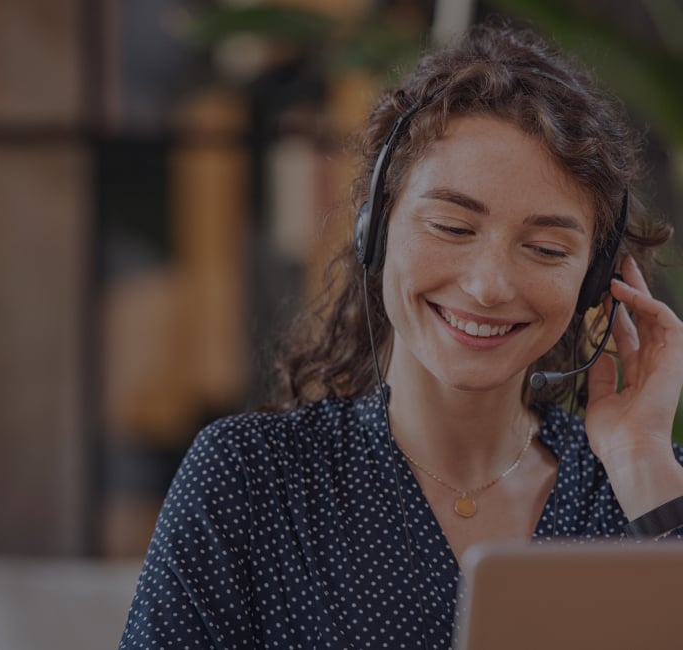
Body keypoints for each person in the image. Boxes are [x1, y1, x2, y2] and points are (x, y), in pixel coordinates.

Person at [118, 21, 683, 649]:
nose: (490, 284)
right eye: (452, 226)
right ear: (375, 229)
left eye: (547, 247)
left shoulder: (645, 487)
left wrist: (645, 470)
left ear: (594, 277)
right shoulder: (251, 479)